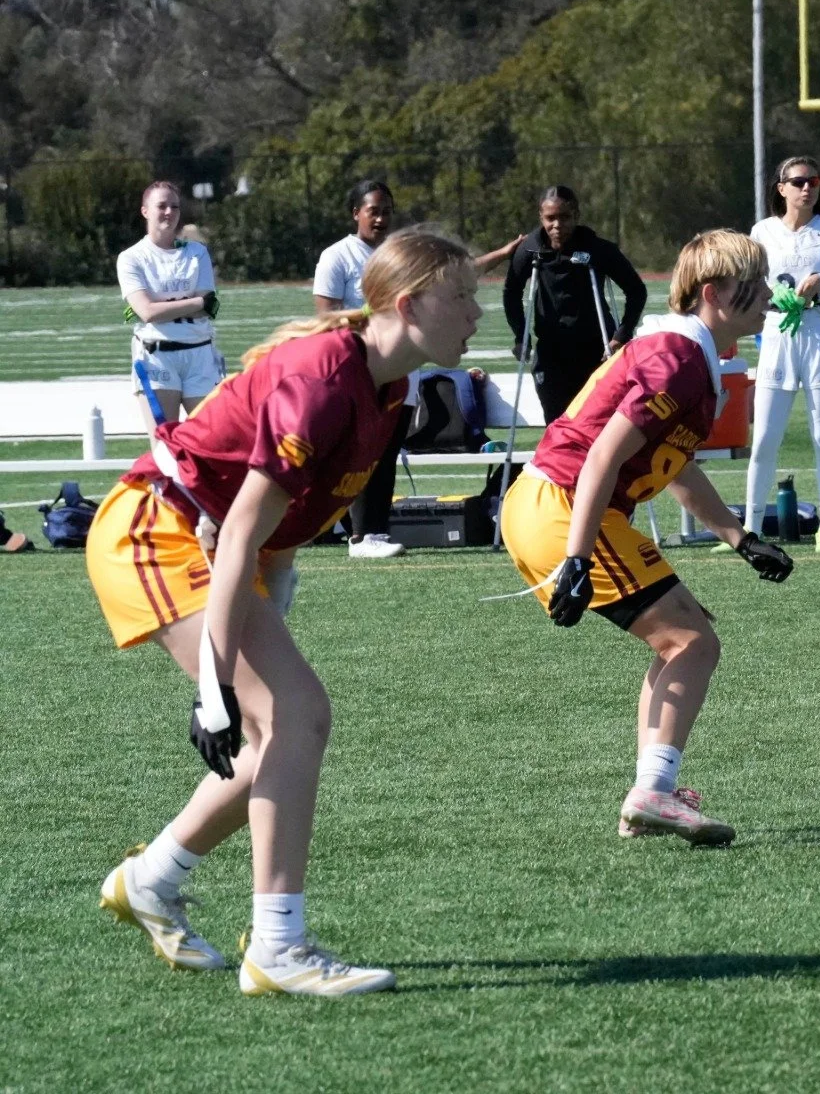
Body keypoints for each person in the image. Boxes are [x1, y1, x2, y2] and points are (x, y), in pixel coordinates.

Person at [88, 227, 484, 992]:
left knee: (280, 733)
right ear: (406, 304)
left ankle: (153, 882)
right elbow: (236, 529)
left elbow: (275, 529)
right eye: (461, 296)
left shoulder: (389, 385)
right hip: (156, 527)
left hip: (214, 541)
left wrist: (268, 613)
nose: (475, 314)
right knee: (294, 716)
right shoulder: (323, 379)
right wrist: (214, 687)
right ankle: (277, 949)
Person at [501, 228, 793, 847]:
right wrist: (577, 558)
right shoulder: (679, 357)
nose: (769, 295)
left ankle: (650, 793)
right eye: (756, 284)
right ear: (714, 293)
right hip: (566, 504)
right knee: (693, 642)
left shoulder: (689, 352)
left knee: (682, 641)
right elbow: (603, 455)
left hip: (562, 503)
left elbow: (675, 463)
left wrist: (739, 537)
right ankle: (653, 791)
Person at [314, 180, 519, 557]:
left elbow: (456, 273)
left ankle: (374, 529)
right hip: (363, 366)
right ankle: (358, 533)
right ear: (355, 213)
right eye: (372, 210)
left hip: (403, 368)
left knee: (388, 447)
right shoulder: (338, 256)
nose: (380, 218)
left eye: (386, 210)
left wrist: (503, 254)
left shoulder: (401, 256)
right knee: (362, 448)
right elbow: (326, 314)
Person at [741, 155, 820, 552]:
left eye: (813, 180)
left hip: (818, 336)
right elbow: (749, 280)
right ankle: (749, 528)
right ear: (781, 189)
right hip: (776, 337)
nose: (807, 187)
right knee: (763, 439)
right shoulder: (762, 231)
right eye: (797, 182)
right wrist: (769, 296)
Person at [502, 184, 649, 421]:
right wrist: (521, 336)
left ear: (577, 216)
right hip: (551, 352)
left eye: (565, 217)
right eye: (550, 218)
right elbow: (511, 292)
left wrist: (621, 335)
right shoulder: (529, 250)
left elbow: (636, 290)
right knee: (557, 422)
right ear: (541, 217)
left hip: (596, 349)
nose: (557, 225)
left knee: (598, 421)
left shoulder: (598, 249)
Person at [119, 181, 223, 435]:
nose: (169, 212)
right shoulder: (132, 257)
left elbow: (208, 307)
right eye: (161, 206)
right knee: (165, 446)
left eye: (174, 206)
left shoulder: (197, 252)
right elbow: (147, 312)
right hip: (157, 357)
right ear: (145, 211)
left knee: (213, 441)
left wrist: (163, 306)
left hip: (200, 354)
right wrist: (195, 302)